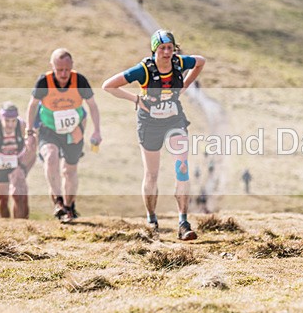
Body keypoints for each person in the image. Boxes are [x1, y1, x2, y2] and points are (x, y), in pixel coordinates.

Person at [102, 29, 205, 240]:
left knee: (182, 167)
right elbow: (108, 86)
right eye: (162, 49)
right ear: (154, 50)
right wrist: (136, 100)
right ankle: (151, 220)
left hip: (175, 120)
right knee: (152, 173)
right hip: (149, 123)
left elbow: (200, 61)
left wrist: (184, 85)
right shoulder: (143, 70)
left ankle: (183, 223)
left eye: (170, 48)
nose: (166, 53)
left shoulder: (179, 63)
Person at [26, 49, 102, 223]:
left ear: (72, 67)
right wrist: (29, 132)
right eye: (59, 70)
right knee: (51, 157)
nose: (63, 74)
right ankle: (58, 201)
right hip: (49, 129)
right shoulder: (43, 81)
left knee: (69, 170)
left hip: (73, 130)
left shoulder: (80, 80)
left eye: (67, 70)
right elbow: (32, 106)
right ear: (52, 67)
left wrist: (96, 130)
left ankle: (69, 206)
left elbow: (93, 106)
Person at [0, 103, 35, 218]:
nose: (10, 125)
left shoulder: (22, 126)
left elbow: (32, 151)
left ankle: (22, 224)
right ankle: (5, 225)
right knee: (3, 199)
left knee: (19, 195)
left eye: (13, 121)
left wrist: (22, 167)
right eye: (7, 121)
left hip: (18, 163)